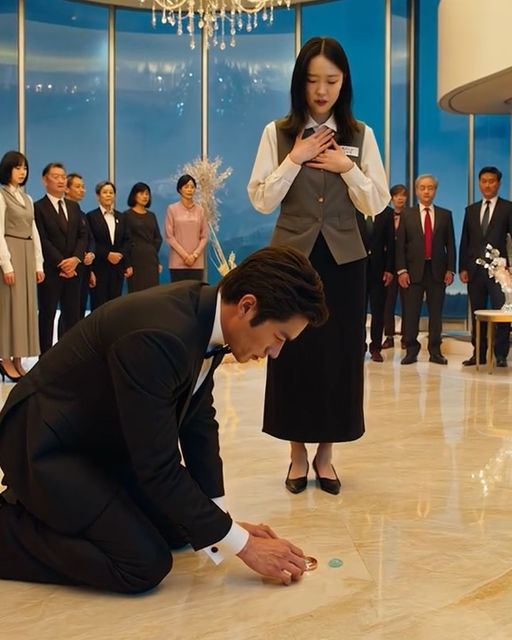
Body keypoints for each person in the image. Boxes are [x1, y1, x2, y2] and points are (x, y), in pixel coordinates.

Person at [0, 246, 328, 593]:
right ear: (247, 306)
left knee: (181, 529)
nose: (276, 352)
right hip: (46, 447)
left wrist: (223, 524)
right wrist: (243, 545)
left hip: (99, 439)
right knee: (142, 563)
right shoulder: (161, 336)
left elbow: (199, 423)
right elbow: (157, 467)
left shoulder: (207, 317)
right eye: (279, 337)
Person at [247, 37, 389, 495]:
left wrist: (346, 168)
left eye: (331, 80)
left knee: (338, 356)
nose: (322, 90)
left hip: (345, 262)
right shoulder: (277, 133)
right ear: (299, 83)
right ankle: (296, 454)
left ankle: (326, 454)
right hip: (291, 261)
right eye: (312, 80)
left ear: (344, 82)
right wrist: (295, 159)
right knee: (290, 353)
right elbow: (261, 198)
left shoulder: (361, 135)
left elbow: (377, 202)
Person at [396, 174, 456, 365]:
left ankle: (435, 351)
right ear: (416, 191)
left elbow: (450, 245)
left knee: (436, 314)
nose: (426, 191)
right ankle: (411, 351)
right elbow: (400, 245)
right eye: (422, 188)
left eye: (430, 188)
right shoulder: (407, 214)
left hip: (437, 271)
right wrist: (401, 270)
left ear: (435, 190)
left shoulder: (445, 215)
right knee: (411, 313)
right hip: (413, 271)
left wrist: (450, 269)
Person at [459, 167, 512, 367]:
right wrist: (463, 267)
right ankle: (479, 354)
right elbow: (465, 240)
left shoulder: (508, 208)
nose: (487, 185)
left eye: (491, 181)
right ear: (479, 183)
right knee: (477, 313)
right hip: (475, 271)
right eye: (484, 181)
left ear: (498, 183)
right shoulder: (471, 210)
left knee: (503, 311)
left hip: (500, 272)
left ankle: (500, 354)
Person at [0, 151, 44, 382]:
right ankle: (5, 359)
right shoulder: (1, 195)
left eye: (24, 168)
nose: (22, 172)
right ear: (7, 169)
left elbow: (33, 232)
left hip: (27, 254)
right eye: (17, 167)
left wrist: (38, 263)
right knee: (9, 307)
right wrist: (6, 265)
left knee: (25, 308)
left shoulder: (27, 199)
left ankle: (18, 358)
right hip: (11, 251)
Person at [34, 163, 87, 353]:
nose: (61, 180)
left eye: (63, 177)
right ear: (45, 180)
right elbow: (42, 239)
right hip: (51, 270)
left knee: (72, 317)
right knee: (47, 315)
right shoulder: (38, 207)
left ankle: (68, 357)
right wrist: (61, 263)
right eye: (55, 176)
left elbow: (82, 236)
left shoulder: (74, 207)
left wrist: (75, 260)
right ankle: (45, 358)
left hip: (74, 271)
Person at [356, 208, 395, 362]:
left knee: (378, 311)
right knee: (359, 311)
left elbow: (391, 243)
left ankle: (376, 348)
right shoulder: (355, 210)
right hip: (358, 269)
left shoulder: (386, 212)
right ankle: (360, 346)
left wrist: (389, 269)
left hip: (380, 271)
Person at [86, 181, 132, 311]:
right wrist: (107, 254)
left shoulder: (121, 217)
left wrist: (122, 257)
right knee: (99, 306)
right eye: (105, 192)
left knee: (115, 306)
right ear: (98, 196)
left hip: (117, 268)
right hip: (99, 267)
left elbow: (127, 240)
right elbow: (90, 241)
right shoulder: (91, 216)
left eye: (111, 193)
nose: (108, 195)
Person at [63, 173, 95, 322]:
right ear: (67, 189)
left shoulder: (82, 214)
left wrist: (91, 254)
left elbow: (90, 239)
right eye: (78, 186)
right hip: (67, 268)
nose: (82, 190)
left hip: (84, 268)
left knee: (80, 309)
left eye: (83, 187)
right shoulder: (61, 213)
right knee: (68, 311)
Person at [165, 174, 208, 282]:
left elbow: (204, 236)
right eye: (186, 187)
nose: (189, 190)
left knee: (195, 291)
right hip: (177, 263)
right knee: (178, 292)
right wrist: (185, 256)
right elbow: (169, 236)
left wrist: (194, 255)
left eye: (192, 187)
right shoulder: (172, 209)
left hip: (196, 263)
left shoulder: (200, 210)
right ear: (180, 189)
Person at [382, 184, 409, 350]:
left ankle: (406, 336)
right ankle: (389, 336)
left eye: (403, 195)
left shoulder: (411, 215)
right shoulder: (386, 216)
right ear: (391, 198)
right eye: (397, 195)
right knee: (388, 303)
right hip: (389, 265)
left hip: (406, 266)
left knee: (407, 303)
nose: (400, 198)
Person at [124, 182, 162, 292]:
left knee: (152, 293)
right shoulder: (127, 215)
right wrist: (127, 264)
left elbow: (158, 238)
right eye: (141, 193)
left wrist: (154, 255)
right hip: (135, 259)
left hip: (151, 259)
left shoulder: (151, 216)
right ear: (134, 195)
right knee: (136, 293)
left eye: (147, 194)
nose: (145, 196)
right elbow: (125, 240)